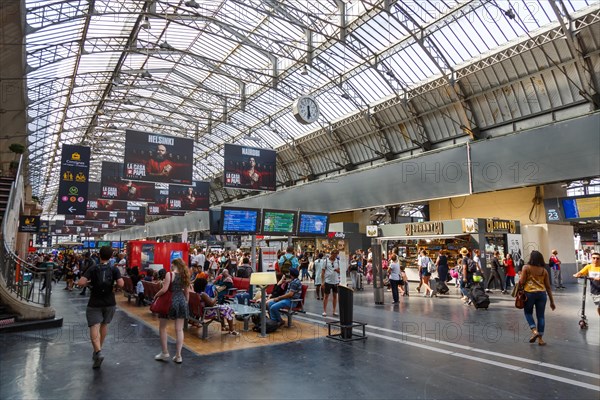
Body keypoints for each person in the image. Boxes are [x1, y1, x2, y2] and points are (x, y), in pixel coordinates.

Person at [77, 245, 124, 369]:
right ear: (111, 256)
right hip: (110, 302)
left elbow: (80, 283)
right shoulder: (114, 269)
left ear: (98, 255)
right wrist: (115, 287)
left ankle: (98, 352)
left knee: (94, 325)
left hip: (95, 302)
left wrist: (90, 282)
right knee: (104, 325)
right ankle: (98, 350)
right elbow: (121, 283)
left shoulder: (93, 268)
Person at [154, 258, 190, 364]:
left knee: (162, 327)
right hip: (181, 301)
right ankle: (178, 356)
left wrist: (156, 295)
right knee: (179, 330)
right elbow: (187, 292)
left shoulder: (169, 274)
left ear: (174, 264)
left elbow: (164, 289)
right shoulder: (185, 275)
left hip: (169, 302)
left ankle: (165, 353)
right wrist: (186, 302)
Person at [518, 250, 555, 346]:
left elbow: (521, 282)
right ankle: (540, 340)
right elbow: (548, 287)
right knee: (541, 316)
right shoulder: (544, 270)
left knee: (528, 312)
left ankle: (534, 331)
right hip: (542, 294)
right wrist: (552, 301)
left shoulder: (526, 267)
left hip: (529, 294)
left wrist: (520, 277)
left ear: (531, 258)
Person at [573, 251, 600, 316]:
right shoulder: (588, 267)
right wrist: (577, 274)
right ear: (591, 258)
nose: (595, 260)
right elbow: (581, 272)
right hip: (595, 291)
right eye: (594, 258)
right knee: (599, 307)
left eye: (597, 258)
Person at [321, 250, 340, 317]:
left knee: (335, 296)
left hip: (336, 281)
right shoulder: (325, 261)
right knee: (326, 296)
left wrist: (338, 270)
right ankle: (324, 311)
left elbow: (340, 270)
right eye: (334, 255)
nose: (335, 256)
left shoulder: (337, 261)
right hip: (328, 281)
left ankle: (334, 311)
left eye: (336, 255)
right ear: (331, 254)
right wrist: (322, 282)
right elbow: (323, 272)